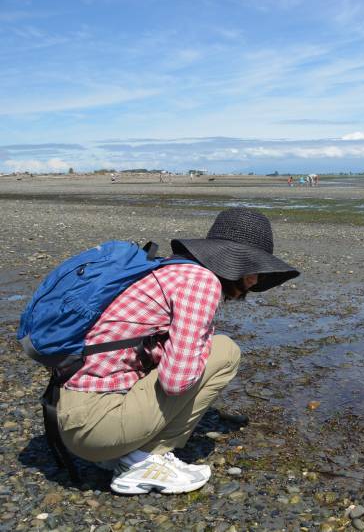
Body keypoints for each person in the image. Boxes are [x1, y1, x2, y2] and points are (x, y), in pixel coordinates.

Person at [56, 208, 299, 494]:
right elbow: (176, 382)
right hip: (95, 425)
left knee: (200, 351)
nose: (256, 280)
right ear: (235, 263)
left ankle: (121, 453)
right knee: (224, 351)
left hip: (75, 412)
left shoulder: (170, 269)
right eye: (254, 269)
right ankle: (143, 460)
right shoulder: (202, 282)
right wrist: (201, 343)